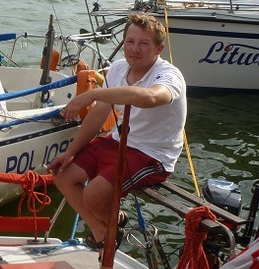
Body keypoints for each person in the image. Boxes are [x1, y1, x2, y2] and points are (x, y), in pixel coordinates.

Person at [47, 13, 186, 253]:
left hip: (152, 153)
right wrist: (71, 152)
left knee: (92, 196)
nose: (135, 49)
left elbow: (152, 97)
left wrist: (92, 94)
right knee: (62, 174)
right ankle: (103, 231)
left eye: (144, 44)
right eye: (130, 42)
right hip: (118, 140)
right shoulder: (119, 69)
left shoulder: (168, 75)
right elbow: (99, 114)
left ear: (158, 48)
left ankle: (112, 227)